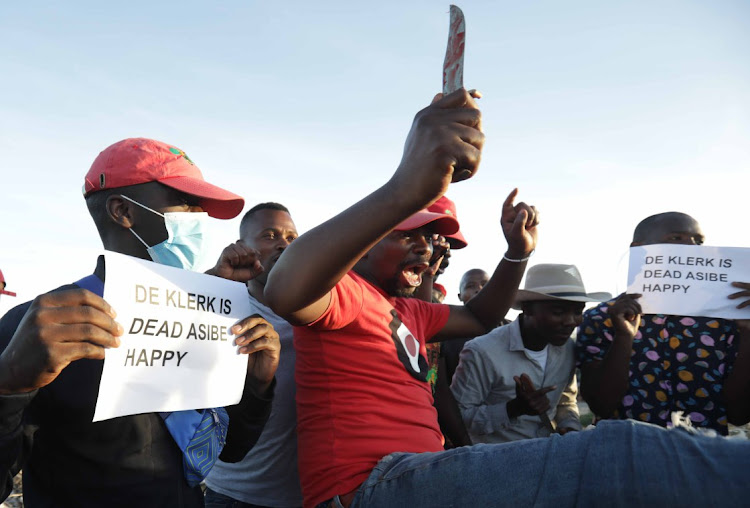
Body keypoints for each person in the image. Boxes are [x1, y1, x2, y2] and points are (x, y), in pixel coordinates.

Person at [264, 90, 750, 508]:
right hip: (365, 488)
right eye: (409, 234)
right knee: (620, 454)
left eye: (436, 239)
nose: (427, 246)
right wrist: (403, 188)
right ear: (363, 243)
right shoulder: (344, 294)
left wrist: (516, 253)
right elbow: (286, 290)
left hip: (424, 474)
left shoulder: (409, 311)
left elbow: (479, 317)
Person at [0, 138, 280, 507]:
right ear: (122, 211)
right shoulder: (40, 329)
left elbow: (228, 450)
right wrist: (8, 386)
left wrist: (257, 384)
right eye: (186, 203)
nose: (199, 219)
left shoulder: (204, 321)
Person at [576, 211, 750, 435]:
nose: (692, 247)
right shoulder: (601, 318)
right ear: (639, 249)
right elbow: (602, 406)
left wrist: (748, 334)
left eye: (699, 241)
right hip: (627, 455)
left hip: (703, 459)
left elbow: (738, 414)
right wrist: (623, 337)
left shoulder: (727, 321)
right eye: (676, 238)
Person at [205, 202, 303, 508]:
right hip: (233, 494)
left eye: (291, 237)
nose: (283, 244)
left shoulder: (317, 312)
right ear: (241, 248)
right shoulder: (222, 309)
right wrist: (214, 281)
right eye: (270, 235)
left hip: (304, 496)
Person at [451, 264, 611, 443]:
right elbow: (458, 418)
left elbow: (566, 402)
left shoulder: (567, 348)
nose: (570, 321)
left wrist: (569, 427)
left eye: (577, 312)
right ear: (528, 309)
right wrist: (512, 409)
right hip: (497, 462)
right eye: (558, 312)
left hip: (549, 456)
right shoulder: (482, 352)